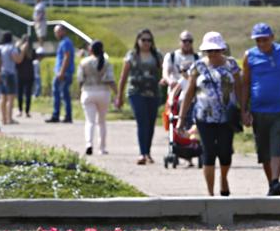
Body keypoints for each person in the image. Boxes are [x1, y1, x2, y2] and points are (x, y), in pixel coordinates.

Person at [239, 22, 280, 196]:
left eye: (265, 39)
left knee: (278, 144)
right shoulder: (249, 56)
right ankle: (272, 184)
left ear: (272, 37)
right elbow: (245, 84)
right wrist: (244, 110)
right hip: (259, 111)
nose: (262, 43)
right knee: (264, 151)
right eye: (258, 40)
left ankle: (276, 179)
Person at [177, 32, 242, 196]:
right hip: (204, 117)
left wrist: (245, 110)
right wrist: (181, 119)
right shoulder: (198, 66)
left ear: (222, 49)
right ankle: (210, 194)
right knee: (209, 152)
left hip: (227, 116)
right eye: (209, 51)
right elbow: (189, 93)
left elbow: (239, 89)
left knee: (225, 151)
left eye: (216, 50)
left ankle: (224, 178)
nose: (212, 54)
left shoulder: (232, 64)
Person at [117, 29, 163, 164]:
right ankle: (142, 153)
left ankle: (147, 152)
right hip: (136, 92)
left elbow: (163, 72)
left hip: (153, 93)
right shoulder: (131, 55)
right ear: (138, 41)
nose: (146, 43)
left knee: (151, 123)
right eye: (143, 40)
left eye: (149, 40)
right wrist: (119, 95)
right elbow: (123, 76)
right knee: (142, 122)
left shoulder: (157, 56)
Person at [78, 40, 116, 155]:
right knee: (102, 121)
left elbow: (80, 79)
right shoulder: (106, 63)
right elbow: (110, 80)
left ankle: (89, 143)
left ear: (90, 50)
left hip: (88, 92)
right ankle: (102, 148)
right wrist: (117, 93)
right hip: (103, 92)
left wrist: (80, 91)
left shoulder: (84, 62)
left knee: (90, 121)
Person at [162, 30, 198, 113]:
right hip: (175, 95)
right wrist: (170, 81)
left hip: (192, 95)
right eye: (184, 41)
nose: (187, 43)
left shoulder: (197, 57)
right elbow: (165, 72)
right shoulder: (171, 56)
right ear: (180, 41)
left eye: (190, 41)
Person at [47, 24, 76, 123]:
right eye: (55, 32)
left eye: (58, 31)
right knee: (62, 93)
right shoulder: (64, 42)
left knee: (62, 93)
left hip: (64, 73)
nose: (56, 34)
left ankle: (59, 115)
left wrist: (62, 72)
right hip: (62, 72)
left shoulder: (65, 42)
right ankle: (63, 115)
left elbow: (67, 57)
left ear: (63, 31)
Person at [0, 31, 22, 125]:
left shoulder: (0, 48)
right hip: (10, 73)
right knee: (10, 98)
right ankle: (9, 118)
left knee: (2, 97)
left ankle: (3, 118)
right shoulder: (11, 48)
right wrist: (22, 51)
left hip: (1, 73)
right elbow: (17, 60)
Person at [15, 36, 36, 118]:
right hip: (21, 74)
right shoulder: (18, 50)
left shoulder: (32, 51)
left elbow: (34, 58)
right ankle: (21, 110)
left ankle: (26, 111)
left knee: (27, 94)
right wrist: (22, 50)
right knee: (20, 94)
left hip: (28, 74)